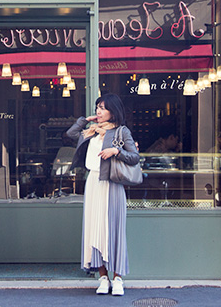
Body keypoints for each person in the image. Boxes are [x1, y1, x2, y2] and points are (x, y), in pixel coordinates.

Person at [66, 93, 140, 296]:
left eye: (103, 108)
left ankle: (118, 278)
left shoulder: (121, 132)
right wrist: (85, 120)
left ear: (113, 111)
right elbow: (71, 134)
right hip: (93, 183)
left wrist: (116, 152)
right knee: (94, 229)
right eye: (97, 107)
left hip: (112, 184)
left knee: (113, 230)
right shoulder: (90, 131)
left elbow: (134, 157)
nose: (98, 111)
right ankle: (103, 277)